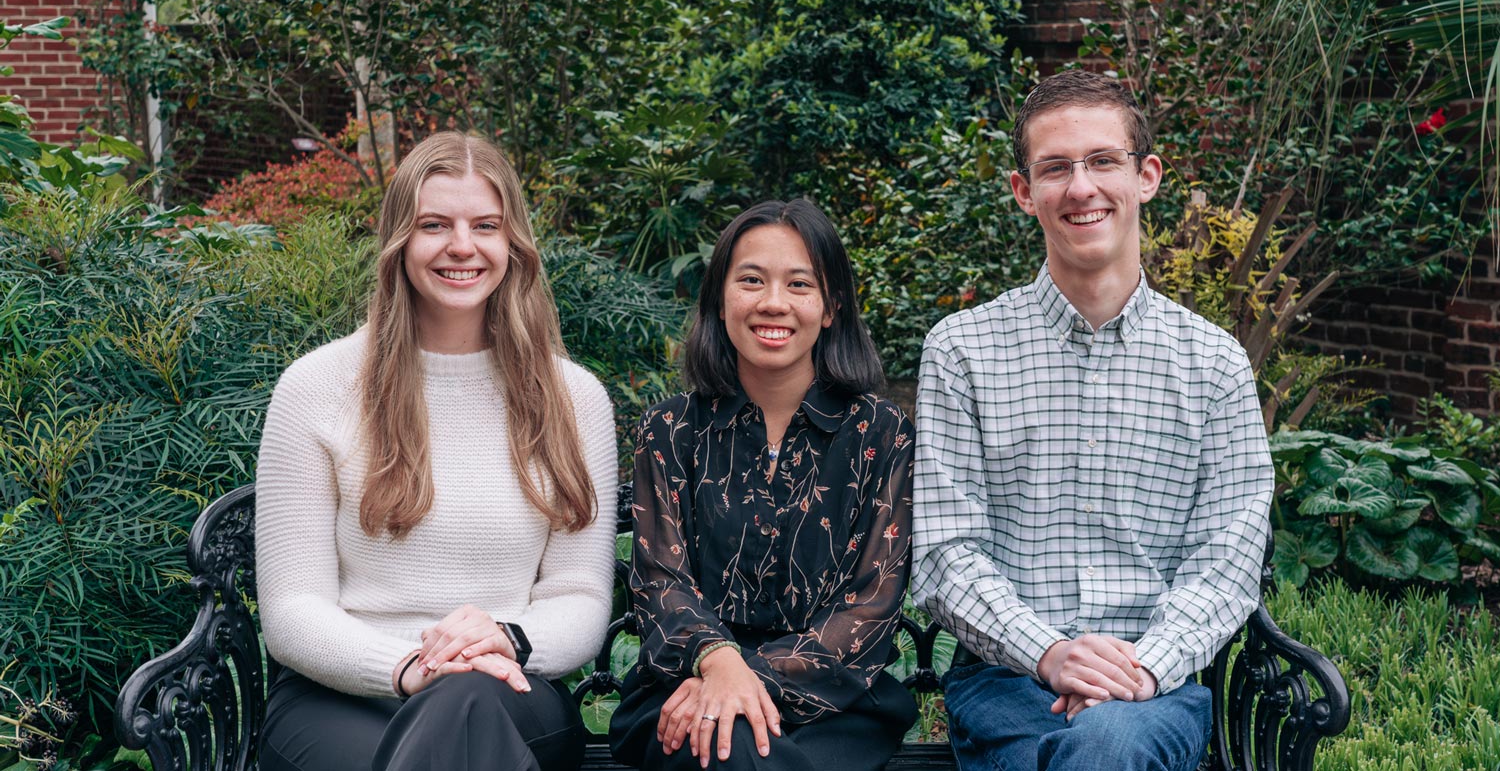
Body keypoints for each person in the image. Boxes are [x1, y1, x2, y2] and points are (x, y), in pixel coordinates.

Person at [911, 70, 1274, 771]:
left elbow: (1227, 559)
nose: (1081, 187)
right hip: (1007, 680)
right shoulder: (962, 351)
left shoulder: (1215, 365)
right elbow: (945, 553)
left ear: (1146, 176)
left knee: (1108, 742)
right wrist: (1050, 653)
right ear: (1025, 192)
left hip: (1153, 688)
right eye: (1055, 167)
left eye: (1102, 160)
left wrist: (1138, 670)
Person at [254, 132, 619, 771]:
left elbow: (580, 595)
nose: (462, 246)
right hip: (341, 693)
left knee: (465, 708)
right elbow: (292, 608)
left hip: (508, 687)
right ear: (400, 240)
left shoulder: (574, 398)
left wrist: (506, 638)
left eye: (485, 225)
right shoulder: (316, 387)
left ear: (514, 245)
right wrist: (407, 668)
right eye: (434, 224)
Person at [608, 199, 918, 771]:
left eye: (800, 284)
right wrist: (717, 660)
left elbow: (870, 602)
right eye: (751, 280)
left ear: (831, 308)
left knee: (740, 748)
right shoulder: (671, 430)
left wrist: (742, 679)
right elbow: (658, 580)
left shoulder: (881, 434)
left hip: (836, 704)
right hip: (680, 688)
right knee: (732, 749)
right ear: (720, 300)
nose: (773, 303)